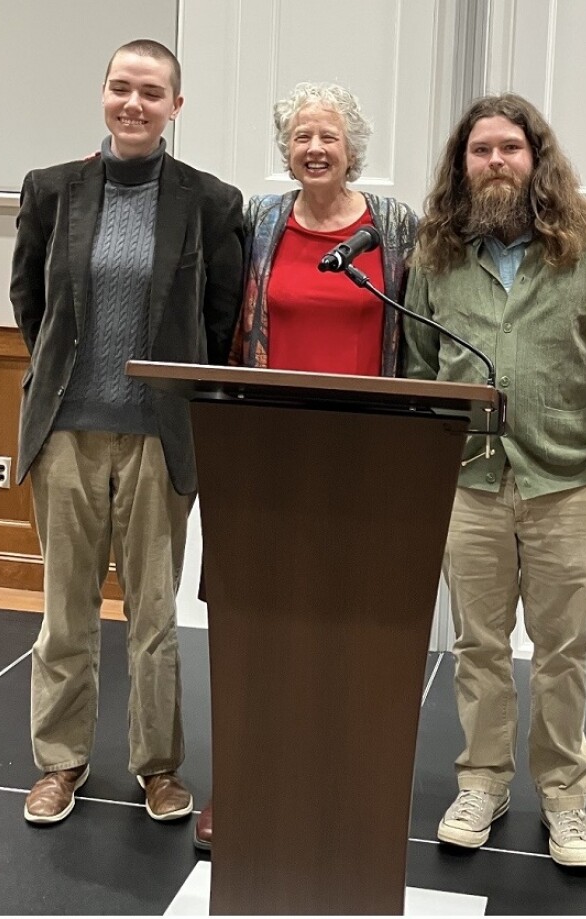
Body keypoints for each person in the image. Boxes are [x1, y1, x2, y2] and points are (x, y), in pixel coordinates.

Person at [9, 39, 244, 826]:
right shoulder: (52, 190)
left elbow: (218, 318)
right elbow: (30, 303)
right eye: (120, 88)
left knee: (153, 614)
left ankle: (159, 767)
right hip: (67, 433)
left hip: (158, 436)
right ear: (103, 95)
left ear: (177, 105)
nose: (133, 104)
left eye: (151, 92)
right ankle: (60, 762)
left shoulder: (211, 201)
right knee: (65, 613)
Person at [404, 93, 586, 866]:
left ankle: (566, 798)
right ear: (462, 164)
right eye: (481, 150)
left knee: (564, 648)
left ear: (536, 158)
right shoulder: (434, 253)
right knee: (479, 643)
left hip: (568, 482)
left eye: (510, 147)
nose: (496, 161)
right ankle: (483, 779)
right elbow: (415, 364)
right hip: (467, 483)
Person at [194, 81, 418, 851]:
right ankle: (245, 781)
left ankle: (347, 780)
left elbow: (414, 337)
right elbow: (227, 325)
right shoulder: (257, 219)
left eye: (328, 136)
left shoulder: (394, 226)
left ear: (353, 147)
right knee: (258, 623)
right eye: (300, 136)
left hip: (367, 453)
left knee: (353, 625)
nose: (314, 148)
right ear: (285, 149)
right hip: (269, 452)